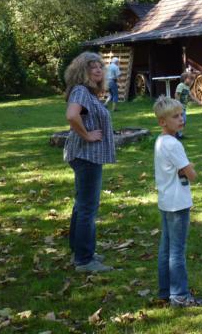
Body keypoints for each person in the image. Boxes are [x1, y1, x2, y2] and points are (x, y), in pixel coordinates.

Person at [64, 52, 115, 273]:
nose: (98, 70)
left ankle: (79, 250)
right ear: (81, 71)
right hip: (87, 156)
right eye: (92, 67)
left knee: (82, 205)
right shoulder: (81, 91)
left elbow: (80, 115)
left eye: (99, 66)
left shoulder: (87, 93)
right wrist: (87, 135)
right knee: (87, 207)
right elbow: (72, 116)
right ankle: (84, 260)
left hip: (85, 156)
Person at [153, 96, 202, 307]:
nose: (181, 119)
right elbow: (191, 175)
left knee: (166, 248)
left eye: (181, 114)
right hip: (178, 203)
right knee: (177, 251)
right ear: (162, 122)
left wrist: (185, 167)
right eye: (175, 116)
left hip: (166, 201)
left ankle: (165, 291)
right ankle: (180, 295)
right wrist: (190, 168)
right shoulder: (173, 144)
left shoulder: (160, 141)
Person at [174, 71, 202, 140]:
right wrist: (178, 104)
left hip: (183, 108)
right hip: (179, 107)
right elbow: (177, 94)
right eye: (190, 79)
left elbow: (191, 96)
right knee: (181, 120)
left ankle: (179, 134)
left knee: (183, 121)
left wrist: (199, 102)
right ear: (185, 79)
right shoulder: (181, 85)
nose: (191, 81)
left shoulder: (187, 87)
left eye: (192, 79)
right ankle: (177, 134)